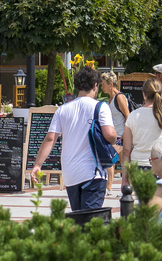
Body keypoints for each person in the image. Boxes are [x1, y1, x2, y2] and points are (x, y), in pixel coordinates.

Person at [29, 66, 115, 213]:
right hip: (92, 173)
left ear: (77, 86)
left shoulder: (63, 109)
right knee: (89, 220)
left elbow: (50, 139)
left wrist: (37, 165)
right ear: (95, 86)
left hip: (70, 174)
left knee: (78, 217)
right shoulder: (100, 107)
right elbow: (110, 135)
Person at [122, 79, 162, 168]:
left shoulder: (133, 115)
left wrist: (125, 175)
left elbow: (126, 150)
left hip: (137, 165)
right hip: (160, 165)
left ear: (144, 94)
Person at [98, 73, 130, 190]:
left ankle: (111, 187)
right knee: (118, 162)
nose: (102, 87)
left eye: (104, 85)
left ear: (111, 84)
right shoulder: (110, 98)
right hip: (113, 135)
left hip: (120, 135)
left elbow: (127, 115)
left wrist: (126, 134)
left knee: (113, 161)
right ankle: (113, 187)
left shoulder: (119, 97)